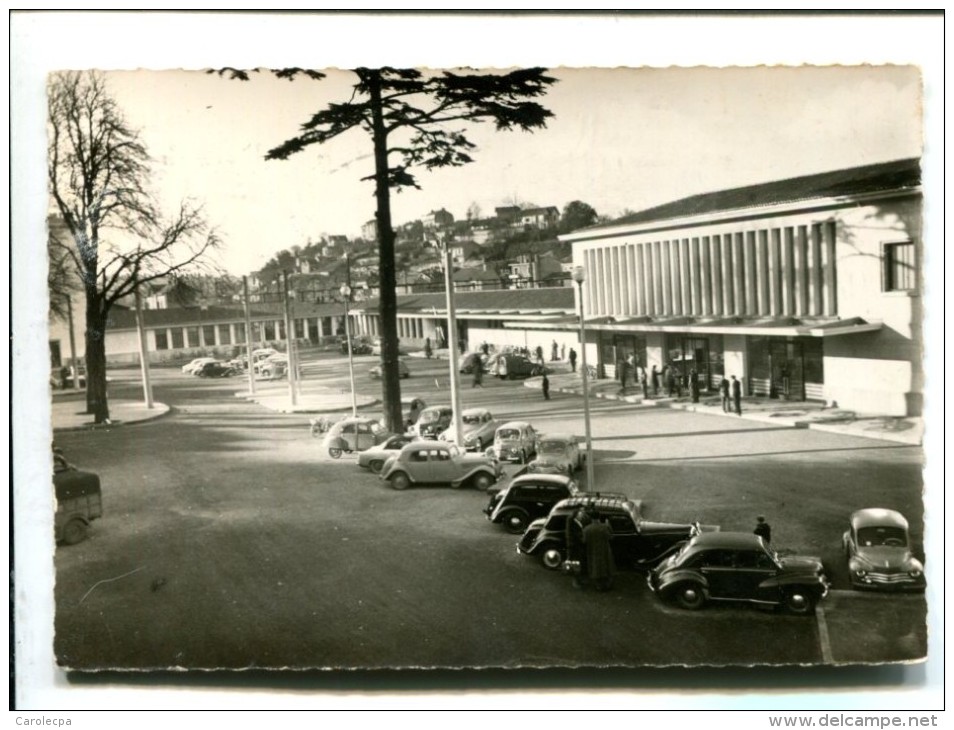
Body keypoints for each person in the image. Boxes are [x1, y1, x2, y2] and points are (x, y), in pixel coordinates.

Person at [582, 514, 616, 592]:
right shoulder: (604, 527)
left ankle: (598, 585)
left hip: (592, 550)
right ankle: (607, 584)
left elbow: (584, 541)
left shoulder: (587, 529)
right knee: (606, 566)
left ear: (591, 519)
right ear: (599, 518)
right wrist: (609, 526)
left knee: (595, 567)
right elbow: (611, 537)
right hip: (604, 550)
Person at [565, 507, 591, 589]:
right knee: (575, 564)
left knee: (579, 564)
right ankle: (576, 582)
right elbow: (574, 535)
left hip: (578, 547)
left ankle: (579, 580)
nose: (583, 513)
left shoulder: (577, 521)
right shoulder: (573, 523)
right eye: (581, 512)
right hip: (574, 547)